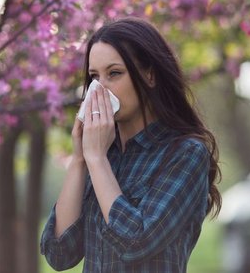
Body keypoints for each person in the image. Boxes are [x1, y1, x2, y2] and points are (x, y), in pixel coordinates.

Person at [40, 17, 222, 273]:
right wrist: (80, 159)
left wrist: (97, 161)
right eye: (94, 77)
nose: (100, 90)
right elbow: (59, 254)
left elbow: (136, 242)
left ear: (149, 75)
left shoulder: (185, 154)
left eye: (114, 73)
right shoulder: (101, 154)